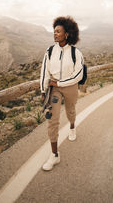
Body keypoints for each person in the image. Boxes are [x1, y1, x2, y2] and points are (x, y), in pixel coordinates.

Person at [40, 16, 84, 171]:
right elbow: (45, 71)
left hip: (70, 86)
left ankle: (72, 126)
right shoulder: (50, 50)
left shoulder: (75, 53)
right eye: (54, 31)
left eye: (58, 31)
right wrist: (43, 89)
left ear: (67, 34)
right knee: (52, 120)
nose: (55, 34)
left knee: (70, 111)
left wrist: (60, 83)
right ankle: (54, 155)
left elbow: (78, 75)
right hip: (54, 88)